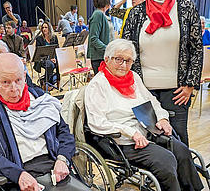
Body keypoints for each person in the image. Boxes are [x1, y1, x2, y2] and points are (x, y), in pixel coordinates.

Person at [85, 39, 203, 191]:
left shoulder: (133, 77)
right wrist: (130, 132)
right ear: (107, 59)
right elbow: (97, 122)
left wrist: (162, 117)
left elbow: (151, 100)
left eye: (128, 61)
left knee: (182, 151)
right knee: (166, 161)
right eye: (118, 59)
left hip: (147, 130)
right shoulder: (97, 85)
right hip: (121, 141)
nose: (123, 65)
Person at [0, 53, 90, 191]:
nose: (14, 89)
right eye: (5, 82)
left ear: (25, 77)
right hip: (17, 175)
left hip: (54, 165)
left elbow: (63, 132)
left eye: (18, 80)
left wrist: (63, 159)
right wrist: (18, 174)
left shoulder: (40, 99)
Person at [122, 0, 202, 146]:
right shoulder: (135, 13)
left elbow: (196, 49)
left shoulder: (186, 7)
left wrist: (190, 84)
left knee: (179, 145)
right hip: (142, 91)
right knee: (151, 147)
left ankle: (183, 178)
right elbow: (126, 51)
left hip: (176, 92)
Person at [87, 0, 114, 75]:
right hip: (99, 58)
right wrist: (108, 49)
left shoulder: (102, 14)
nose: (111, 0)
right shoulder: (98, 14)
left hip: (103, 56)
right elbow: (93, 39)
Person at [35, 21, 59, 87]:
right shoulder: (39, 39)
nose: (44, 29)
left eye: (46, 27)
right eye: (43, 27)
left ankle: (47, 81)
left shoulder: (54, 38)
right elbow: (39, 53)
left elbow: (57, 50)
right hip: (42, 59)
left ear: (49, 29)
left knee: (59, 63)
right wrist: (50, 59)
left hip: (52, 58)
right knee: (50, 65)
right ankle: (46, 83)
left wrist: (55, 59)